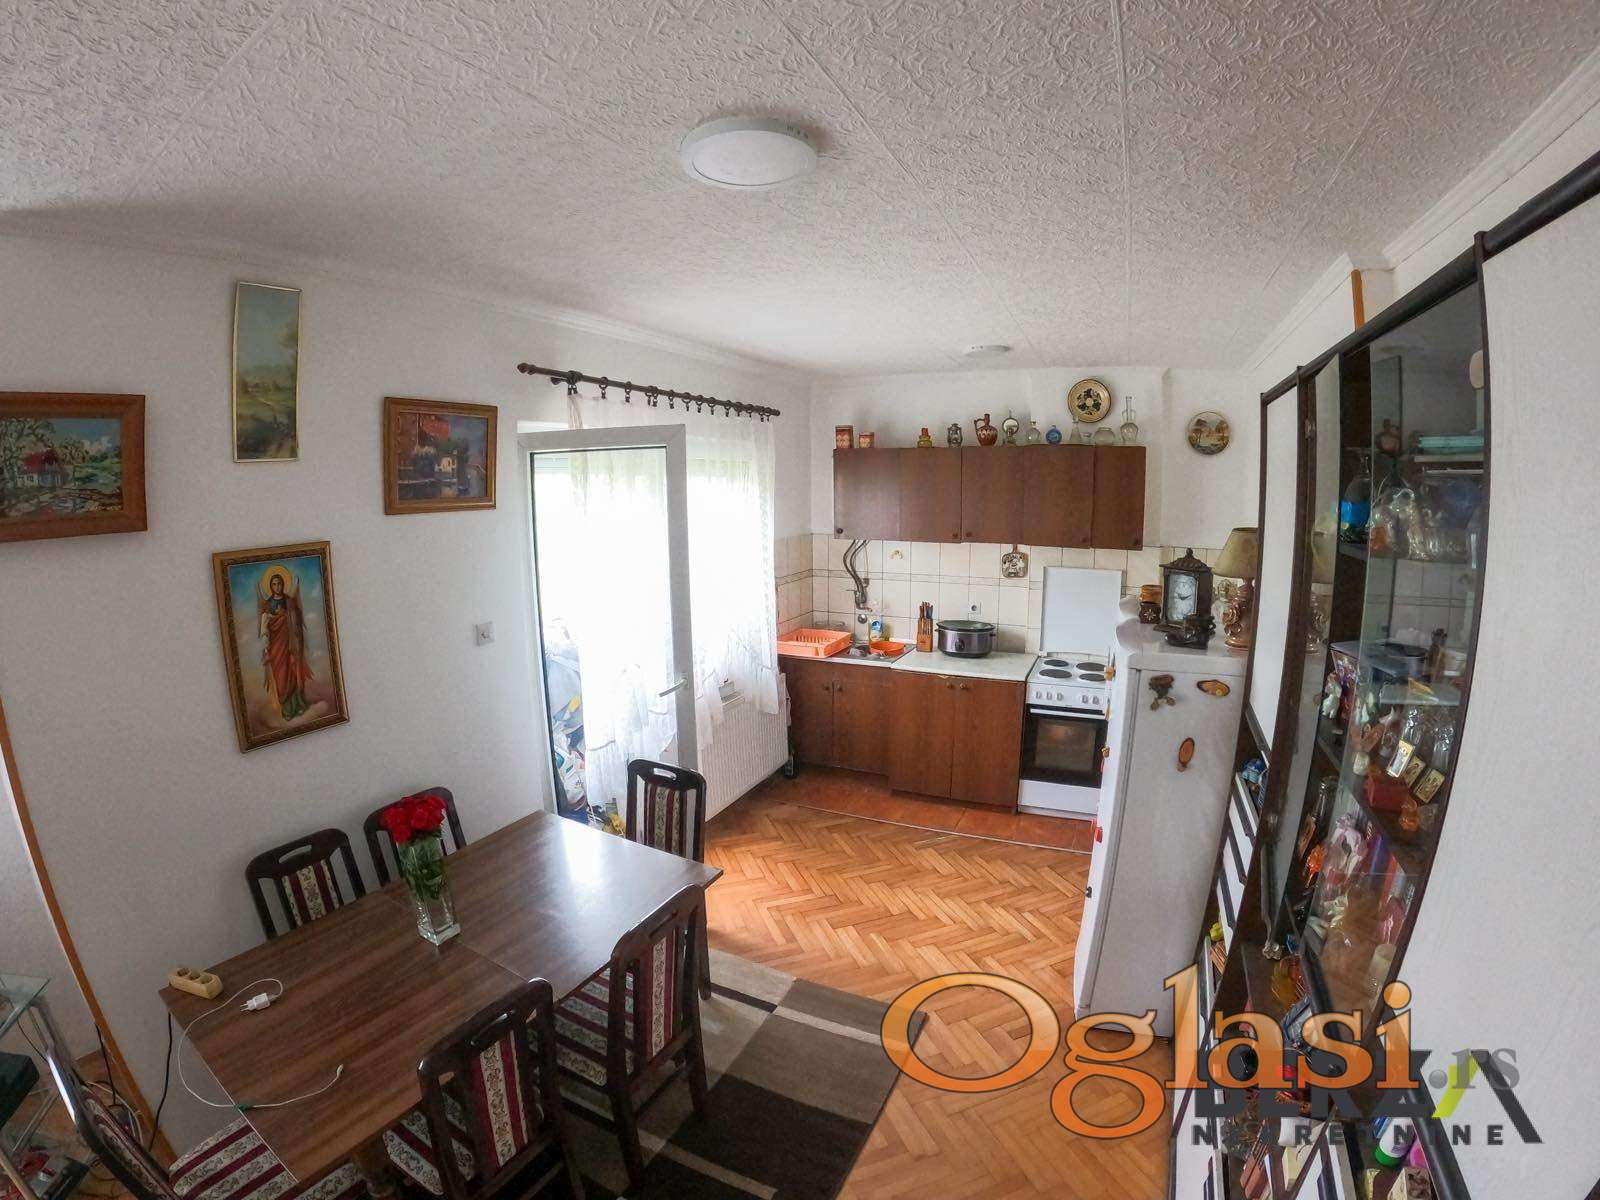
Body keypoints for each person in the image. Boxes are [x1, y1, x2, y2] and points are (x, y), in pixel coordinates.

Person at [258, 570, 312, 720]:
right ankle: (286, 710)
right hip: (276, 647)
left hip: (289, 645)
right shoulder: (268, 604)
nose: (277, 587)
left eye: (279, 583)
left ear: (283, 584)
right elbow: (265, 626)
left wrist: (287, 615)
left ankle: (297, 706)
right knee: (280, 676)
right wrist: (265, 645)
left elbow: (296, 619)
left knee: (292, 673)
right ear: (271, 586)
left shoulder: (289, 601)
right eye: (274, 584)